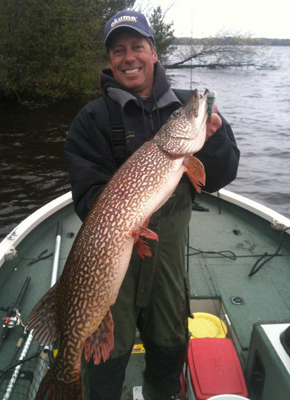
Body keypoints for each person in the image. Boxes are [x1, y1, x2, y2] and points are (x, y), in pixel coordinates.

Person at [64, 9, 240, 400]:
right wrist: (126, 212)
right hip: (114, 261)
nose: (129, 58)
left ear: (154, 52)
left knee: (168, 348)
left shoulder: (188, 112)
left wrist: (213, 141)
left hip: (168, 260)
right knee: (106, 357)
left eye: (137, 47)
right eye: (118, 50)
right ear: (110, 60)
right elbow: (88, 193)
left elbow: (223, 174)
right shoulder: (91, 119)